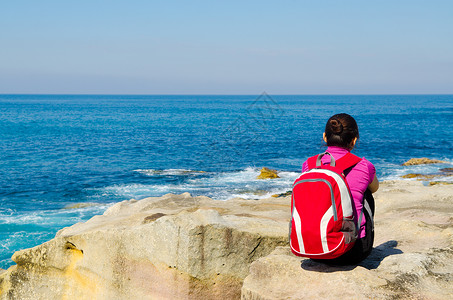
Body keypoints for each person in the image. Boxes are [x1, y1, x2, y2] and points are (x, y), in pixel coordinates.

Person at [302, 113, 379, 264]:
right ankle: (357, 235)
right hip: (352, 252)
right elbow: (375, 188)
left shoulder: (308, 165)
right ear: (354, 140)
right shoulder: (363, 165)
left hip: (313, 248)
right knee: (367, 193)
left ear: (325, 137)